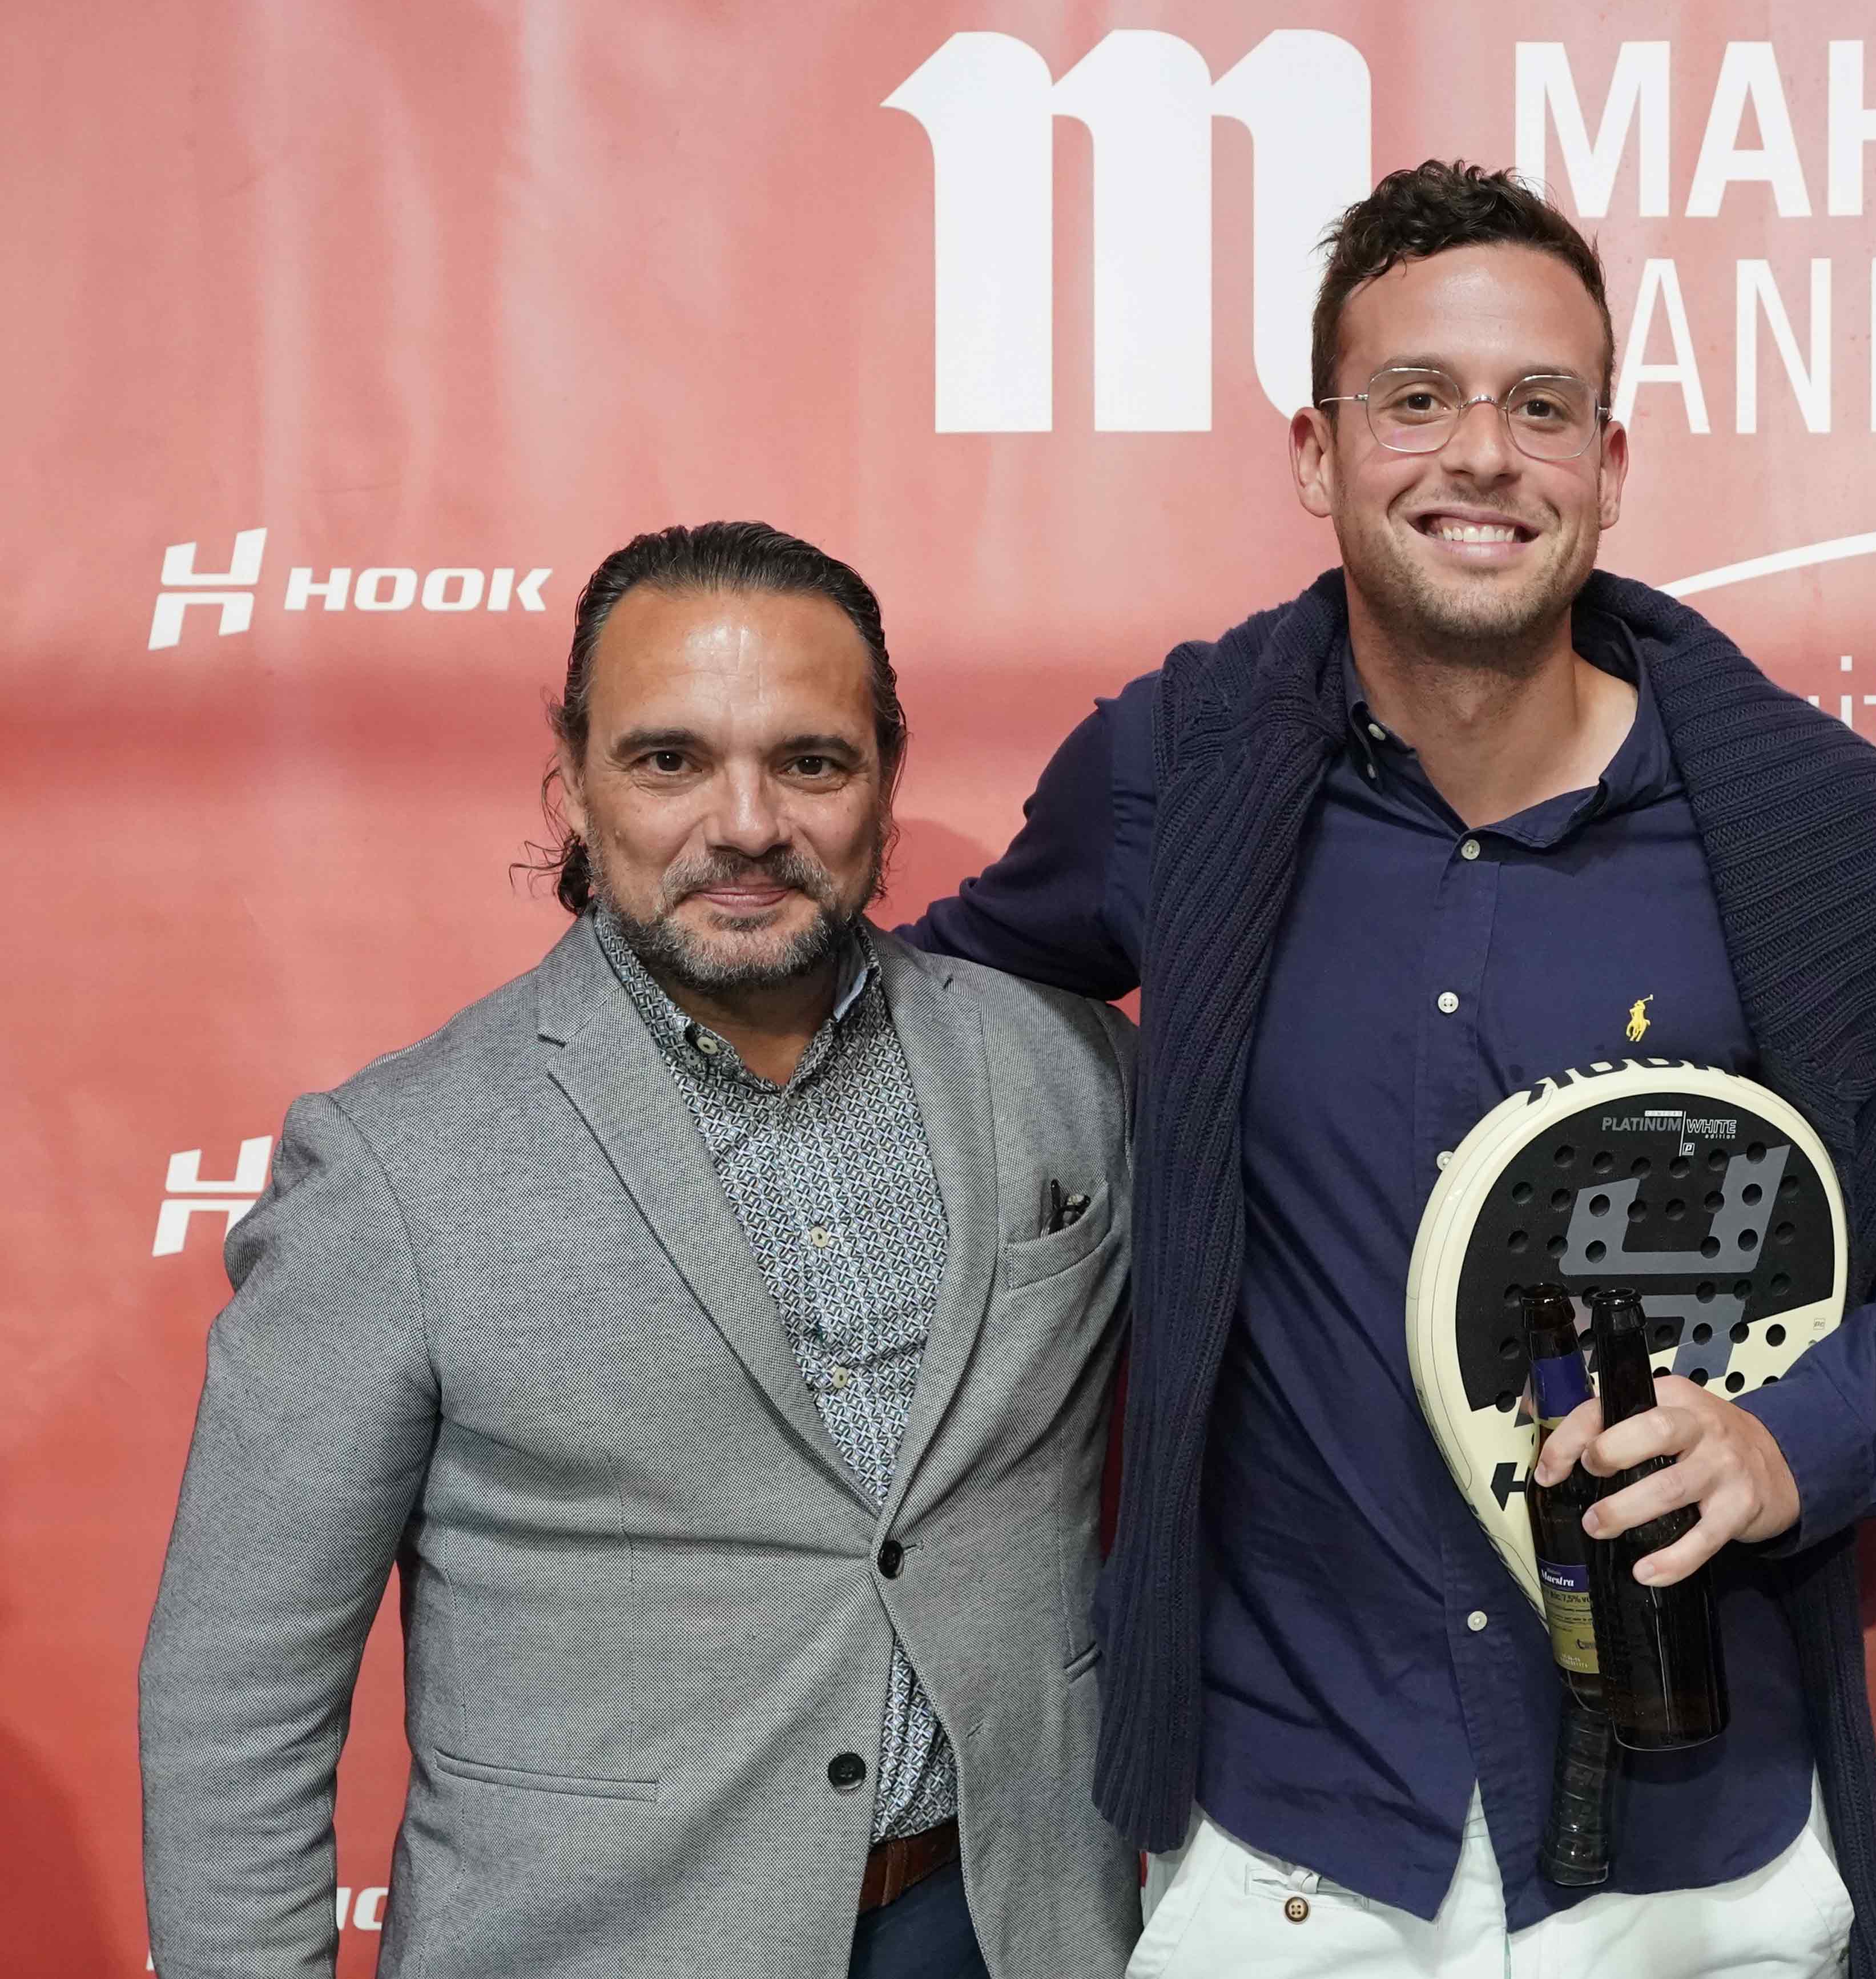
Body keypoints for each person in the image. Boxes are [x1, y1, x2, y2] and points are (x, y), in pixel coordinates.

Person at [903, 160, 1876, 1979]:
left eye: (1541, 406)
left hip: (1698, 1865)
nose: (1482, 455)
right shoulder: (1177, 771)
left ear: (1610, 460)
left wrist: (1790, 1442)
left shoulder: (1811, 831)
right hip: (1286, 1850)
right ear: (1318, 452)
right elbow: (931, 1019)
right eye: (1416, 398)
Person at [139, 522, 1138, 1979]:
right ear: (573, 780)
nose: (747, 823)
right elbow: (239, 1689)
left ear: (886, 778)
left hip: (1016, 1923)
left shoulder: (1064, 1069)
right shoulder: (395, 1164)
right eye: (671, 760)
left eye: (810, 761)